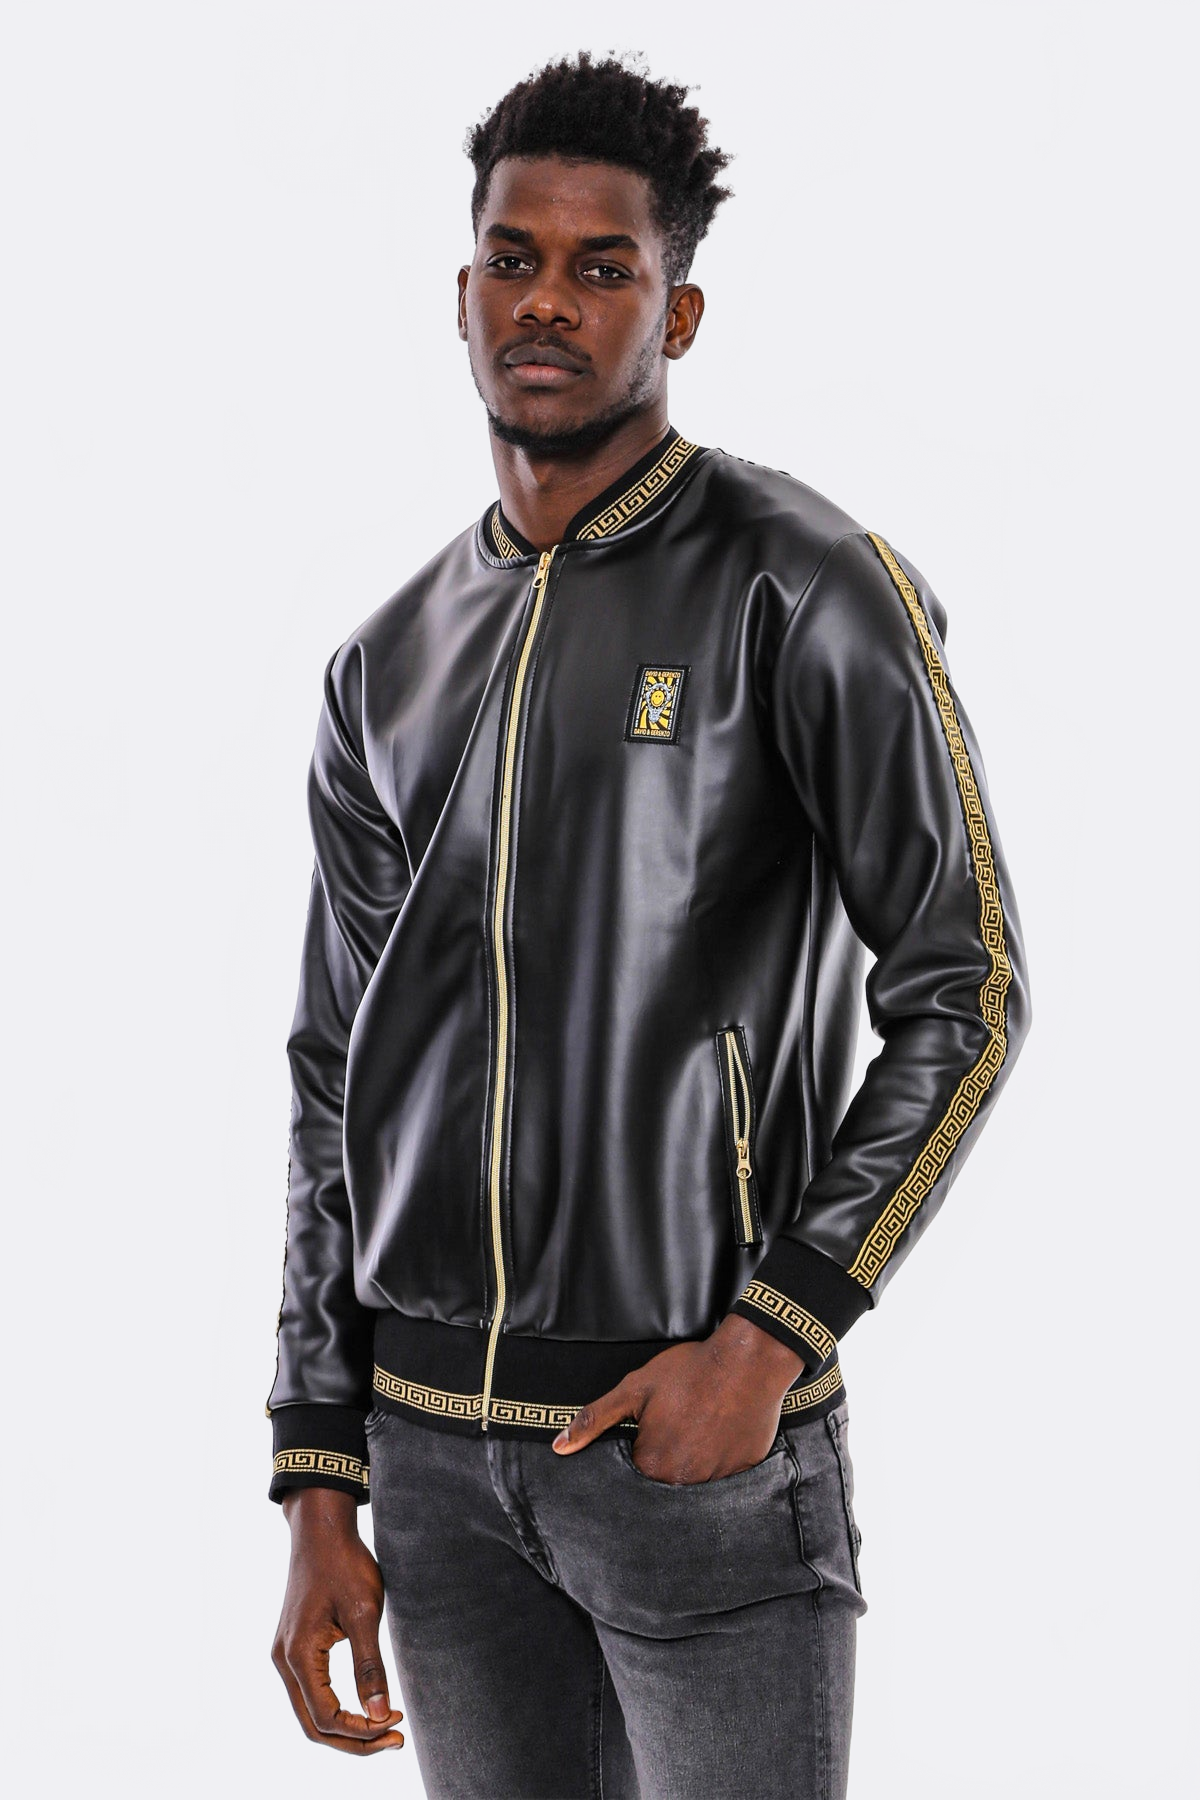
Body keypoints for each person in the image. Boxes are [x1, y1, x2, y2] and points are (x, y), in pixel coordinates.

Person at [265, 50, 1032, 1800]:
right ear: (463, 294)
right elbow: (331, 1078)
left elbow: (967, 987)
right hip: (432, 1470)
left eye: (600, 267)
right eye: (513, 259)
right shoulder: (385, 662)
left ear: (675, 311)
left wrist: (775, 1333)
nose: (548, 300)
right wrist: (318, 1462)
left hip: (692, 1450)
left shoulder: (803, 582)